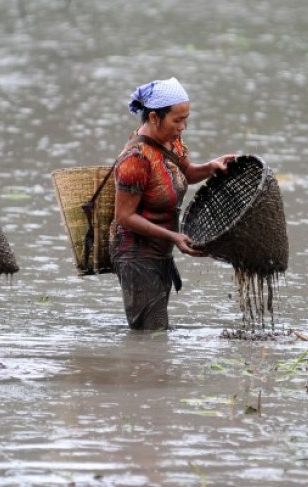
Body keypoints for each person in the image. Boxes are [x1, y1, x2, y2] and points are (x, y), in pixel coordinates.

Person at [109, 77, 235, 330]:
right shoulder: (135, 159)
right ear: (154, 117)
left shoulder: (170, 143)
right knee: (151, 331)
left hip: (160, 249)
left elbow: (186, 173)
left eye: (186, 118)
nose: (183, 126)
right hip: (136, 255)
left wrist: (212, 167)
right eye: (177, 120)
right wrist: (174, 236)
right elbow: (124, 216)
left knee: (153, 329)